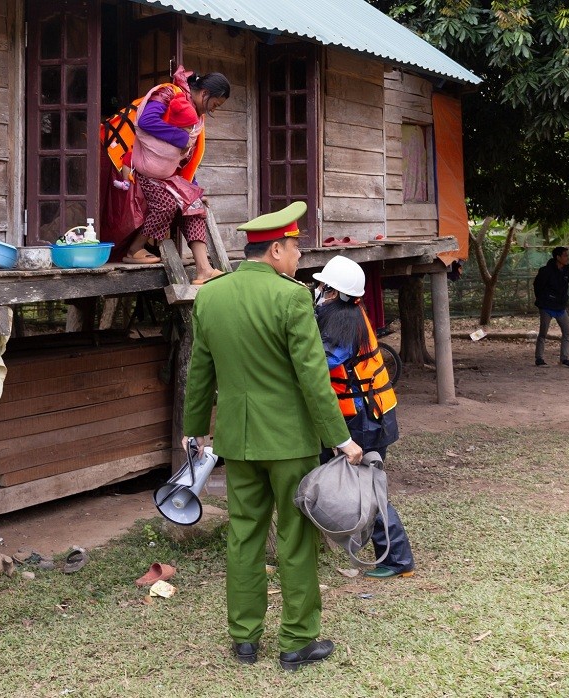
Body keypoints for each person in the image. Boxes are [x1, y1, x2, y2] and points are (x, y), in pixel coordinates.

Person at [182, 201, 362, 672]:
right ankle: (297, 642)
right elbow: (311, 377)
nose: (300, 256)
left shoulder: (211, 295)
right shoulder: (292, 297)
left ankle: (244, 638)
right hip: (289, 441)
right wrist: (341, 439)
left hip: (237, 441)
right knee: (296, 537)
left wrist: (196, 429)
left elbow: (200, 369)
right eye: (296, 247)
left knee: (243, 535)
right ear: (277, 249)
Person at [312, 255, 415, 579]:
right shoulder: (345, 314)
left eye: (321, 285)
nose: (316, 289)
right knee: (362, 488)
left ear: (332, 292)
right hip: (370, 413)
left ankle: (398, 559)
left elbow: (320, 362)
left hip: (366, 419)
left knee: (368, 490)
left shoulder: (344, 324)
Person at [100, 67, 230, 285]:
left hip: (166, 173)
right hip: (141, 166)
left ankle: (204, 269)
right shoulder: (169, 93)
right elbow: (147, 121)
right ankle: (135, 250)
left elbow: (186, 160)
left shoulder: (197, 118)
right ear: (205, 93)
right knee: (166, 205)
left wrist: (192, 187)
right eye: (214, 105)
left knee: (194, 205)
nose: (211, 111)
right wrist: (179, 137)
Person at [533, 246, 569, 367]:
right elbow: (537, 286)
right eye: (565, 255)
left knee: (567, 332)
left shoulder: (567, 271)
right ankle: (539, 359)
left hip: (560, 307)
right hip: (547, 306)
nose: (567, 258)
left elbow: (564, 287)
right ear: (558, 257)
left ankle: (564, 359)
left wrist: (563, 300)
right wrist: (543, 300)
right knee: (543, 333)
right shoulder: (546, 271)